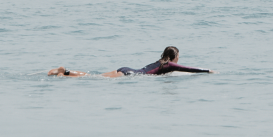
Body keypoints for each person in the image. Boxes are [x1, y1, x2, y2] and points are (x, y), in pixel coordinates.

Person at [48, 45, 213, 77]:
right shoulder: (169, 65)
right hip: (130, 74)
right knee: (94, 78)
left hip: (129, 69)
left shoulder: (159, 62)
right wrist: (207, 70)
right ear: (173, 57)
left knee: (95, 76)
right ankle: (65, 71)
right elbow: (189, 69)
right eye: (178, 57)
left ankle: (65, 72)